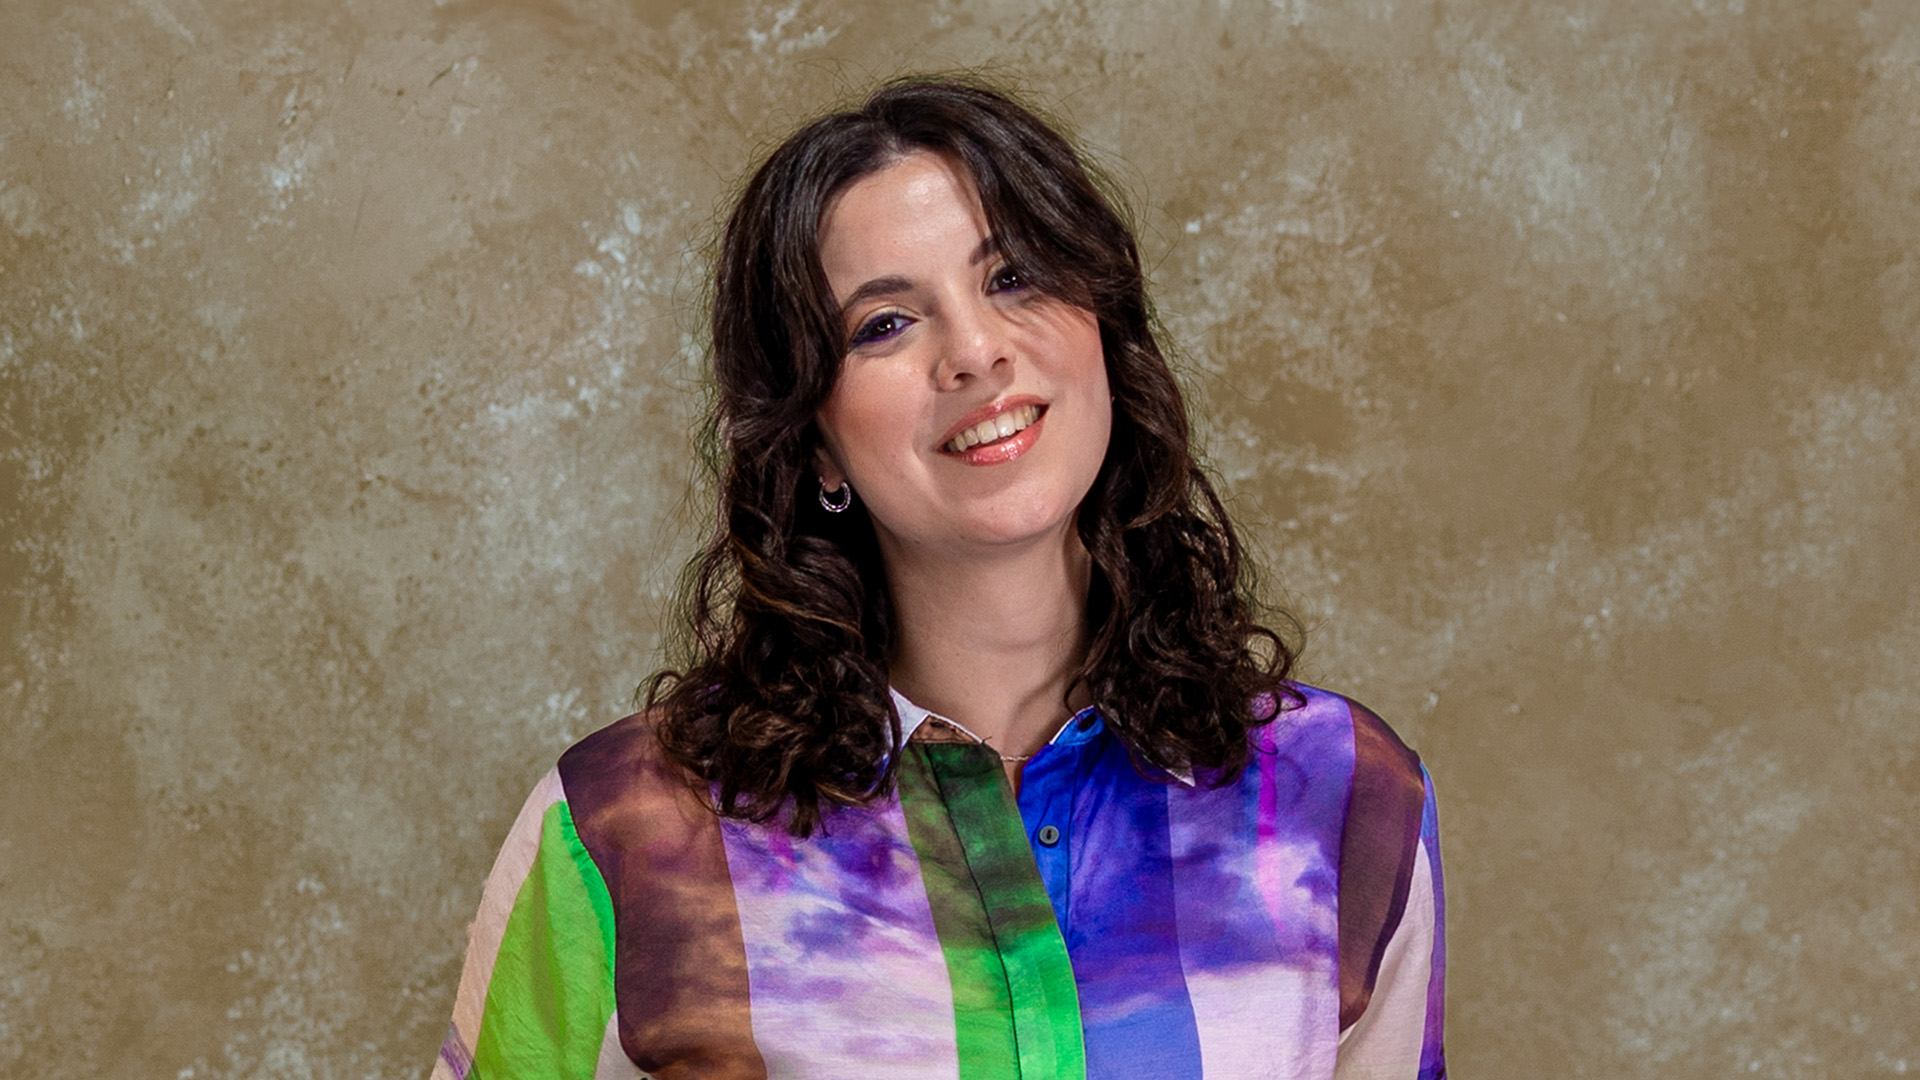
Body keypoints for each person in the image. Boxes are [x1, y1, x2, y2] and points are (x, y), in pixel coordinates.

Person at [433, 72, 1446, 1080]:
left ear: (1105, 329)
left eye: (1012, 278)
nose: (975, 354)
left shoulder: (1338, 795)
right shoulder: (621, 829)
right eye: (883, 324)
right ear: (814, 441)